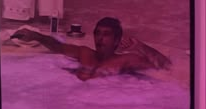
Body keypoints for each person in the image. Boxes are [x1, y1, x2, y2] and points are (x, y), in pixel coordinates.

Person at [11, 17, 171, 81]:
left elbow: (164, 65)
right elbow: (57, 47)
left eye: (106, 34)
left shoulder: (125, 60)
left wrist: (141, 46)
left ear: (116, 40)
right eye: (97, 33)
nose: (100, 38)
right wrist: (36, 36)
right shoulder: (85, 53)